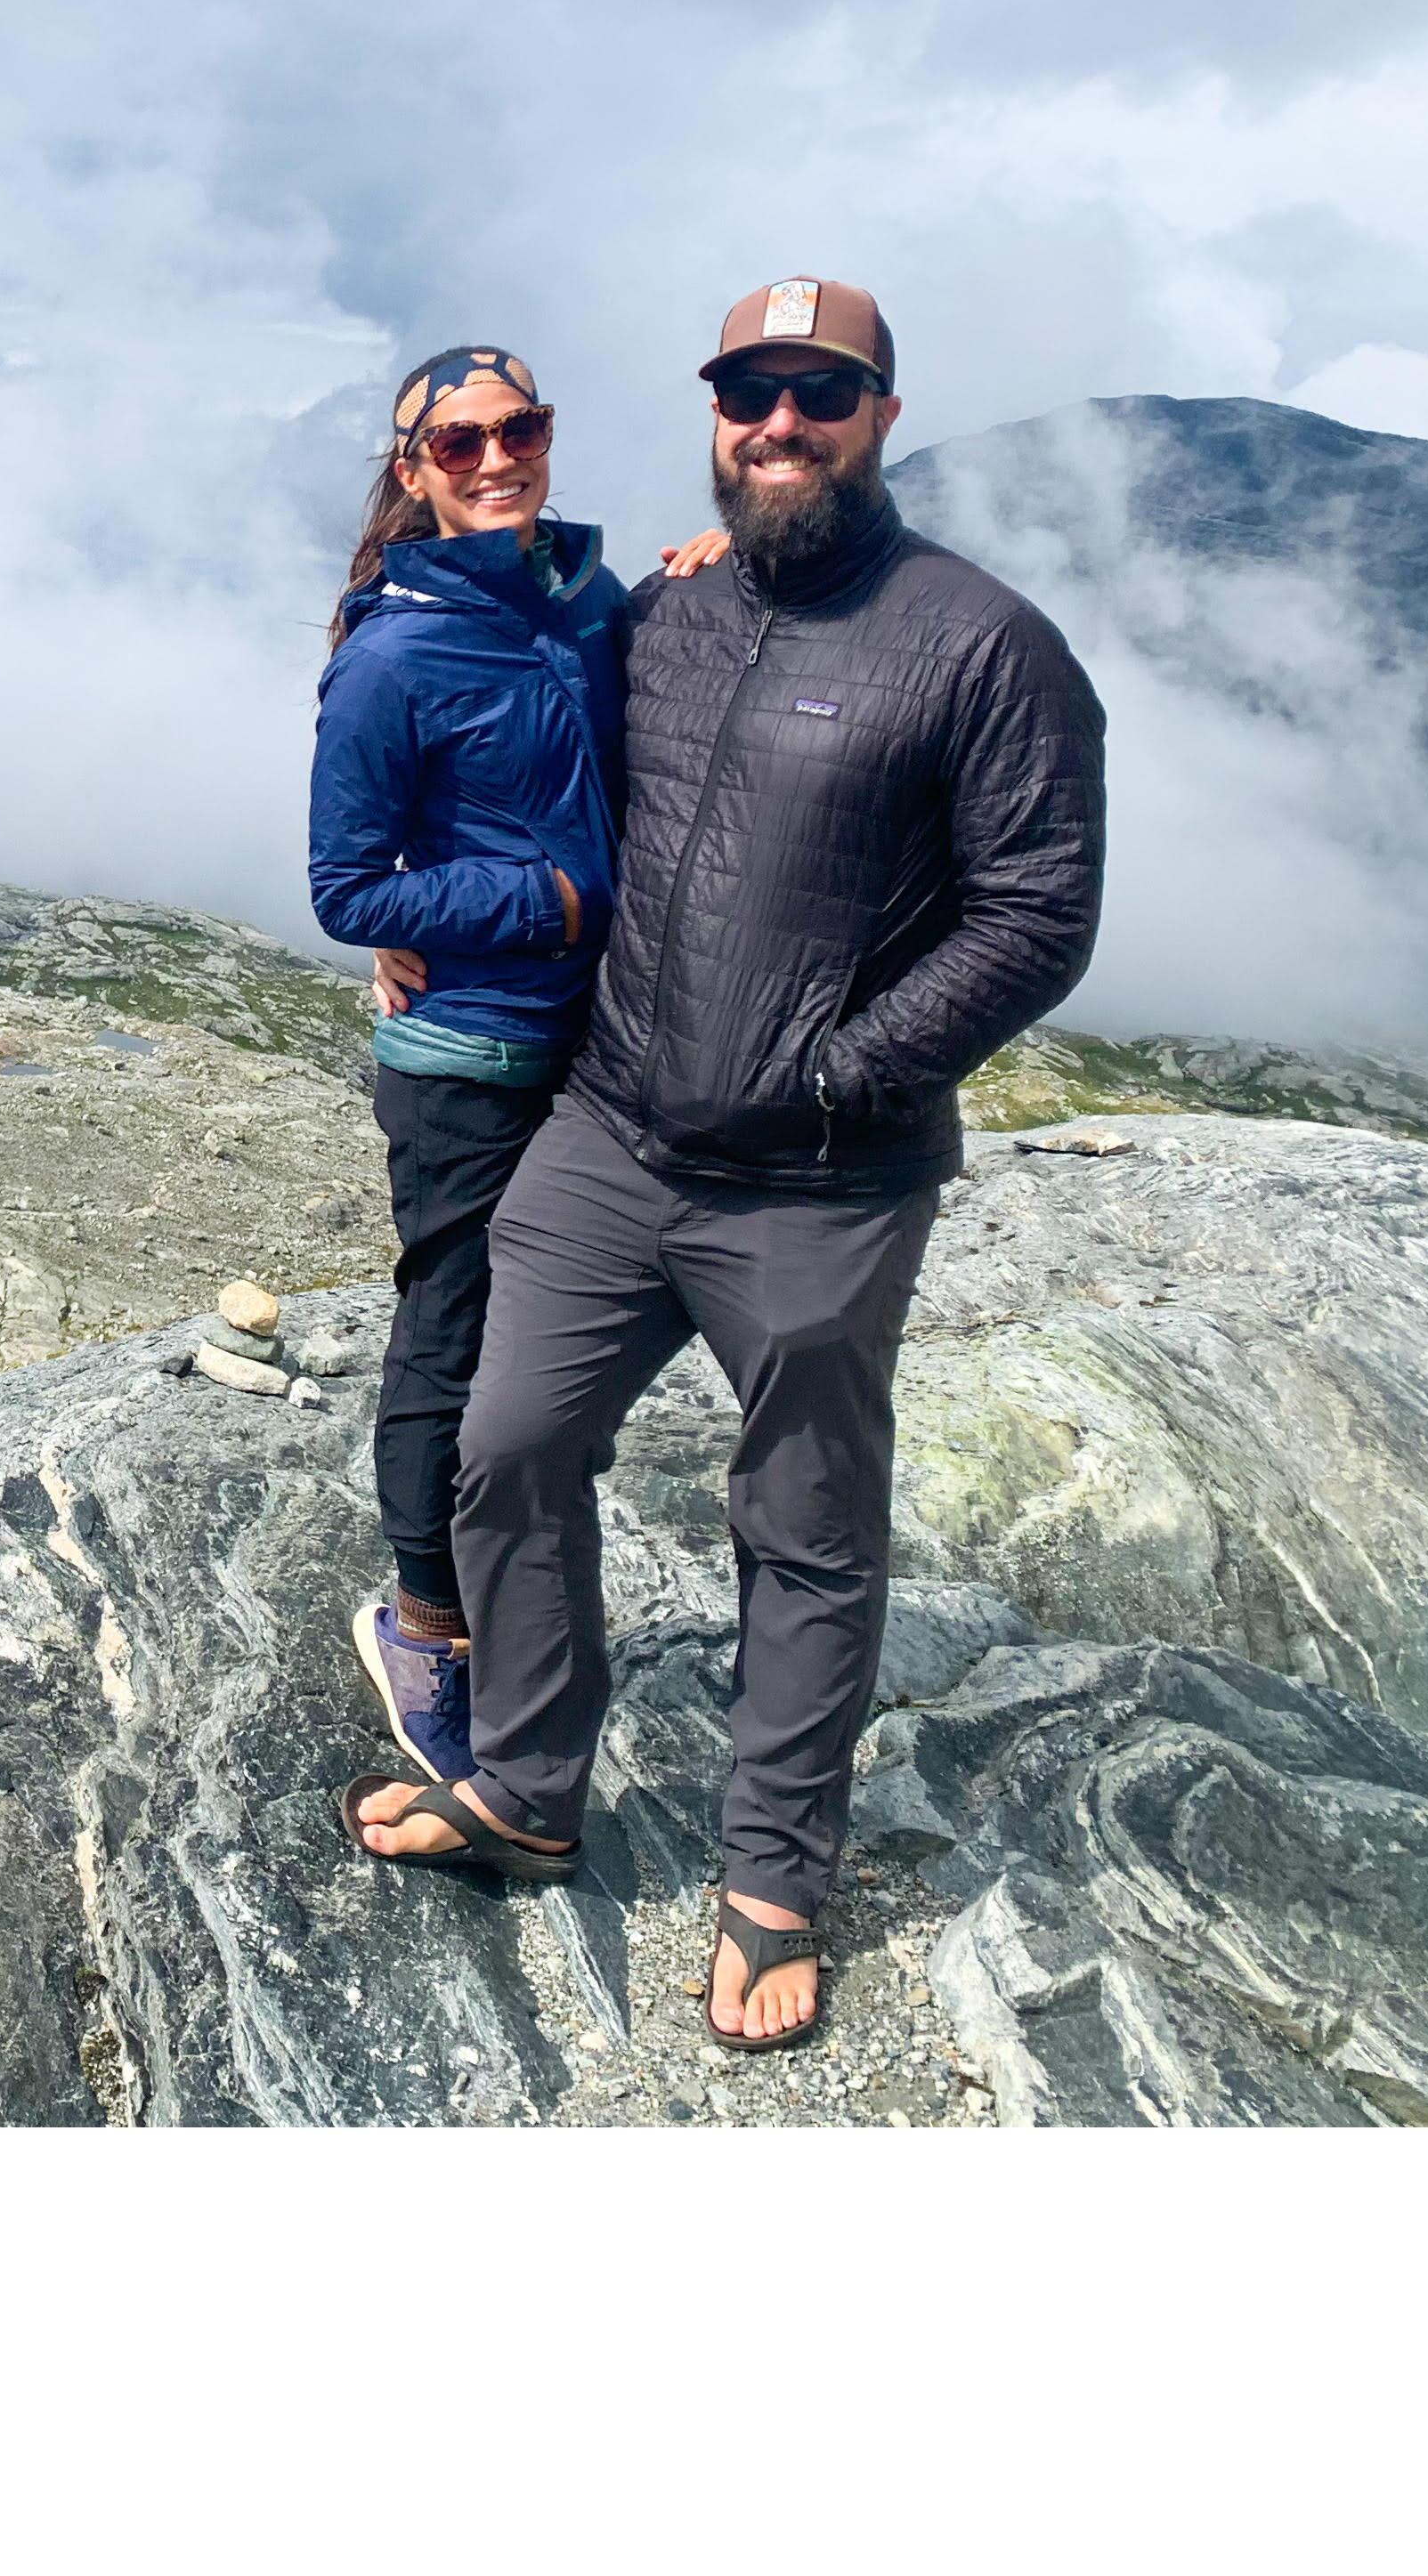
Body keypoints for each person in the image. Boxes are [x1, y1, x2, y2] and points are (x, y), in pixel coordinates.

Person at [352, 277, 1107, 2058]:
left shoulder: (982, 643)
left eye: (819, 398)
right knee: (507, 1446)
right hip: (612, 1139)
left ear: (879, 420)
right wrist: (422, 922)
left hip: (821, 1186)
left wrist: (847, 1069)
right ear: (715, 419)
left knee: (806, 1529)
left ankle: (774, 1876)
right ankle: (528, 1784)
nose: (782, 426)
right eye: (753, 396)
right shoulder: (654, 618)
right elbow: (500, 740)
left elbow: (1036, 912)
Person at [308, 347, 716, 1794]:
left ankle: (504, 1595)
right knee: (456, 1328)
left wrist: (707, 575)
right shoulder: (394, 655)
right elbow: (348, 890)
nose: (499, 457)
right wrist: (543, 906)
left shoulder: (586, 598)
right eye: (463, 441)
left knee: (552, 1339)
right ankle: (425, 1621)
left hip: (591, 1041)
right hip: (470, 1054)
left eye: (522, 428)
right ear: (413, 471)